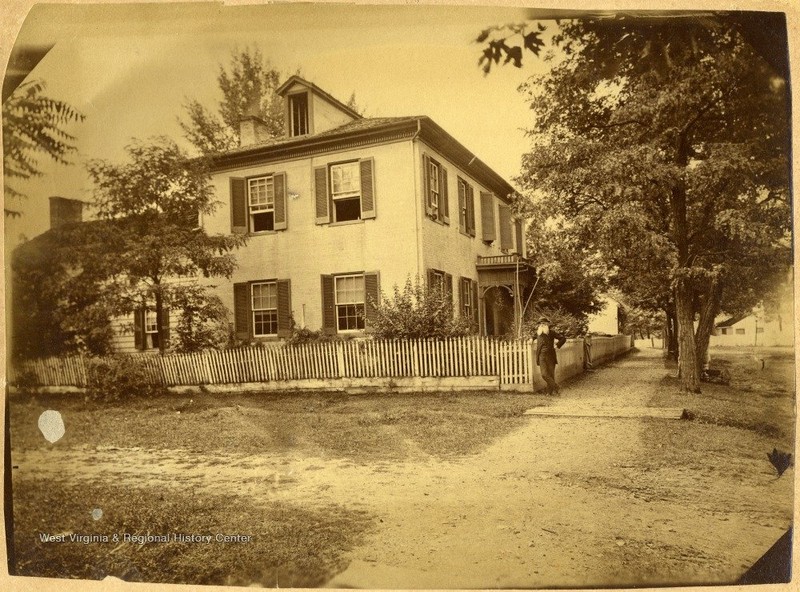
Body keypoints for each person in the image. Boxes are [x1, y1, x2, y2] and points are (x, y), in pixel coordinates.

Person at [536, 317, 566, 395]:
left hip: (550, 356)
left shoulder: (551, 332)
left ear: (547, 324)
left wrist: (557, 345)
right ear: (539, 325)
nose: (542, 325)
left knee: (551, 374)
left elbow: (563, 338)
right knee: (544, 374)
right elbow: (531, 338)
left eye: (544, 323)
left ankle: (549, 393)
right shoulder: (537, 333)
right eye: (541, 323)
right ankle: (556, 386)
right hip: (541, 356)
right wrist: (530, 339)